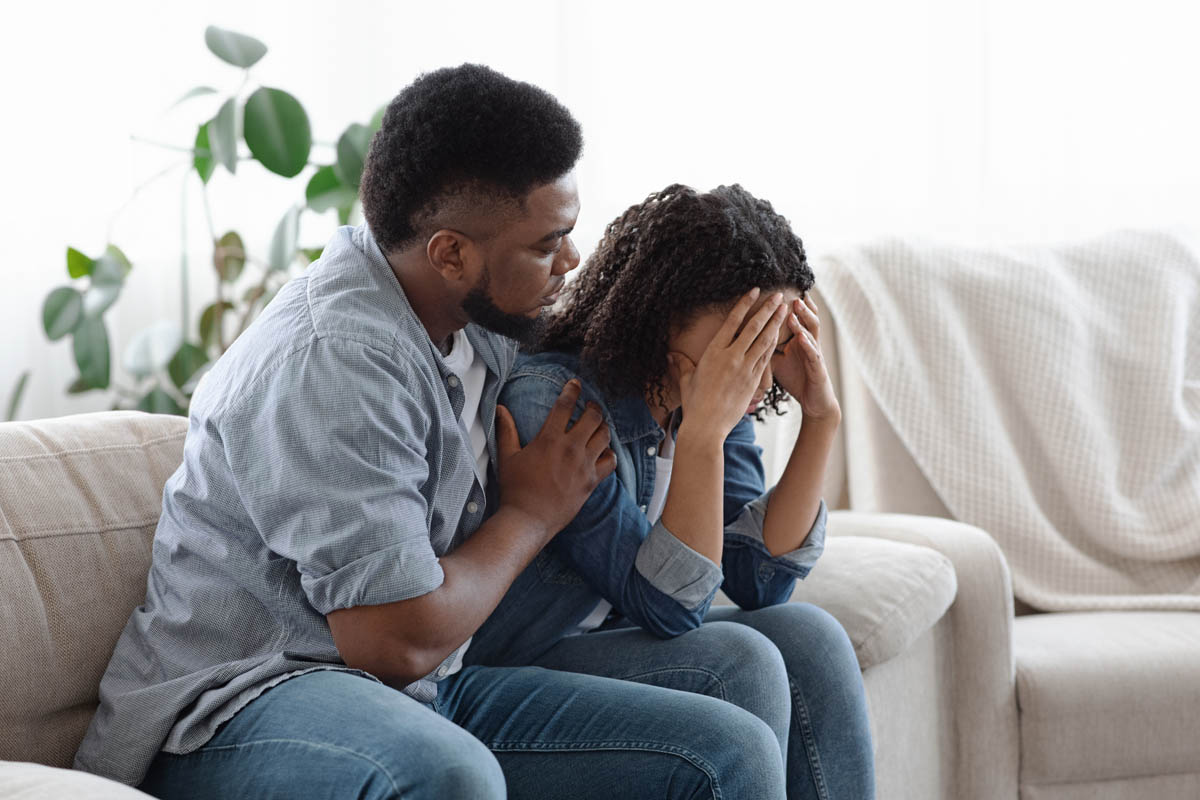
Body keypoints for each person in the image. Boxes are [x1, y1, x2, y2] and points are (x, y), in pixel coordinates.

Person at [73, 68, 793, 799]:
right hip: (249, 702)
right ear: (451, 253)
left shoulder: (479, 322)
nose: (571, 263)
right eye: (549, 244)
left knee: (731, 733)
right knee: (449, 772)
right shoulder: (336, 360)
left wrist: (714, 368)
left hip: (429, 688)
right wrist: (530, 513)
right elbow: (395, 643)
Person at [467, 183, 877, 799]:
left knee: (811, 637)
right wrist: (703, 437)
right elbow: (670, 604)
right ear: (663, 316)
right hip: (521, 659)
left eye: (775, 337)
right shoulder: (556, 402)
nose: (755, 363)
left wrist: (821, 421)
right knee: (742, 661)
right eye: (743, 334)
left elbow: (759, 582)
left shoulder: (714, 406)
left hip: (611, 646)